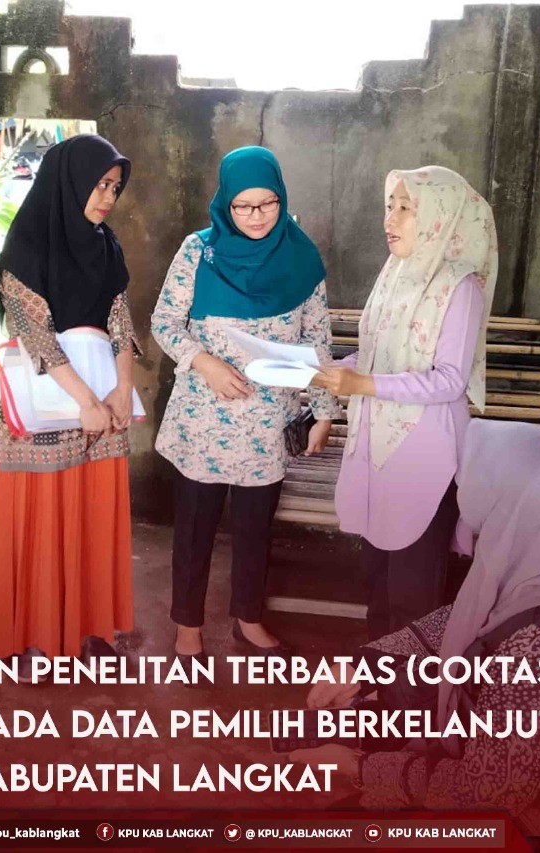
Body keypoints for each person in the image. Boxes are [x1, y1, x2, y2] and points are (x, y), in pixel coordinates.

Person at [294, 419, 540, 835]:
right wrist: (364, 666)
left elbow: (481, 796)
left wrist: (357, 767)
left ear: (512, 515)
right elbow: (461, 621)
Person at [152, 146, 338, 664]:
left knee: (256, 527)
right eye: (243, 206)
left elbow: (318, 340)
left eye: (267, 203)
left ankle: (248, 617)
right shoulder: (199, 251)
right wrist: (204, 362)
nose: (256, 216)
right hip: (204, 418)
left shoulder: (301, 257)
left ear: (282, 199)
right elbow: (164, 322)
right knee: (195, 527)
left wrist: (324, 411)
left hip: (267, 420)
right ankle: (188, 624)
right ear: (225, 203)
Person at [313, 166, 497, 640]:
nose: (389, 219)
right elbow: (378, 355)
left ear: (439, 216)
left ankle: (412, 684)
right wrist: (331, 370)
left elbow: (449, 381)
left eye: (405, 208)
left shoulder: (459, 287)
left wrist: (362, 384)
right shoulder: (396, 272)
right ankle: (379, 675)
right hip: (377, 447)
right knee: (377, 579)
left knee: (414, 593)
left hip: (424, 455)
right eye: (389, 206)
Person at [0, 134, 139, 662]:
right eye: (100, 184)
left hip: (100, 409)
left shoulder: (107, 247)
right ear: (69, 183)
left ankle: (87, 629)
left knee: (91, 518)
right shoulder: (27, 247)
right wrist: (86, 402)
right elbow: (36, 337)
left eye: (114, 187)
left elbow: (120, 322)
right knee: (41, 521)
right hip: (47, 408)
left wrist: (121, 389)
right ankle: (33, 637)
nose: (108, 197)